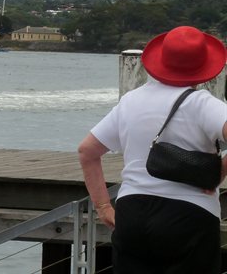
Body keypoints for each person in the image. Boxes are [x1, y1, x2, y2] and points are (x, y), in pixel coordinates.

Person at [78, 25, 227, 273]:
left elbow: (87, 151)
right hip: (189, 215)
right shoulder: (203, 104)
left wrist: (103, 206)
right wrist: (220, 171)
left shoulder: (131, 101)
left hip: (132, 213)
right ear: (205, 68)